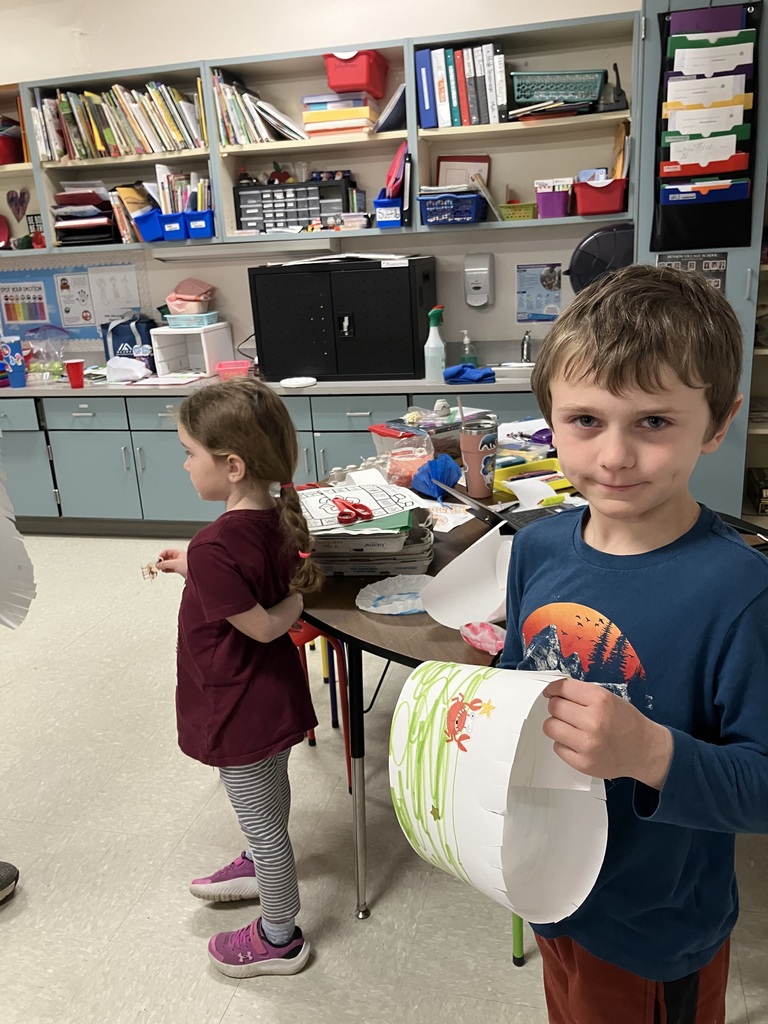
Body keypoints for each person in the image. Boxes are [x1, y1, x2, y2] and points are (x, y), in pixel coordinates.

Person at [498, 263, 768, 1024]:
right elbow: (522, 685)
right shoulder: (536, 549)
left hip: (656, 926)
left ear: (717, 423)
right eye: (585, 420)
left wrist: (648, 752)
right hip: (551, 888)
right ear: (549, 417)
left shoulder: (740, 593)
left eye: (653, 422)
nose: (614, 456)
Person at [156, 377, 323, 979]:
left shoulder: (214, 545)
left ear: (230, 466)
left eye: (189, 452)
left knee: (267, 825)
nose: (184, 464)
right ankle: (257, 859)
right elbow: (240, 586)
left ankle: (280, 936)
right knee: (270, 799)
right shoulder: (272, 520)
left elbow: (258, 625)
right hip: (272, 698)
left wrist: (295, 611)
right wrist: (193, 571)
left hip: (239, 705)